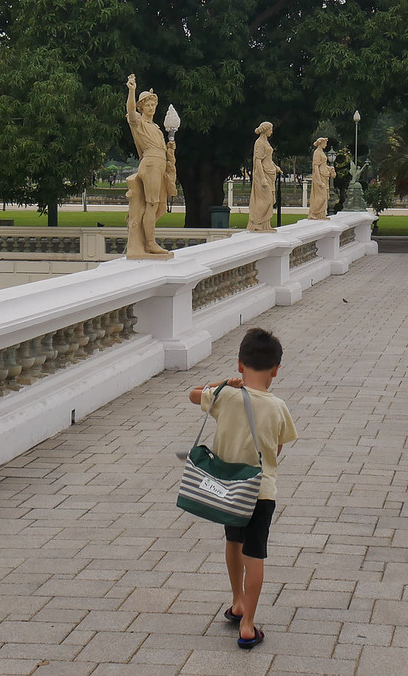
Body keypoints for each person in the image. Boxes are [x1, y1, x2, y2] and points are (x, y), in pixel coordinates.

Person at [188, 328, 298, 650]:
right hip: (260, 493)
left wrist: (221, 385)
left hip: (228, 490)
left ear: (239, 364)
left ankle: (237, 600)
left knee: (233, 542)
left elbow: (193, 393)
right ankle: (248, 623)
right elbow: (276, 450)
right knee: (256, 553)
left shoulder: (227, 396)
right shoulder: (278, 406)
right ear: (276, 369)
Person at [124, 75, 172, 258]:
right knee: (152, 205)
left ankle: (142, 231)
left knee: (160, 207)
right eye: (148, 105)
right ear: (141, 107)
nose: (151, 108)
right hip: (150, 164)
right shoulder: (139, 123)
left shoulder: (156, 128)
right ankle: (149, 243)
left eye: (153, 105)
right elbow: (130, 110)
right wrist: (132, 91)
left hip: (160, 164)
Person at [247, 122, 281, 232]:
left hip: (270, 172)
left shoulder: (265, 142)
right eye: (270, 129)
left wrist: (276, 167)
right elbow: (258, 161)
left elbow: (268, 159)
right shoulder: (259, 143)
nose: (272, 131)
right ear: (265, 130)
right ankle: (256, 222)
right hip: (263, 174)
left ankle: (265, 225)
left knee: (269, 200)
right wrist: (262, 178)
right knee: (265, 200)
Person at [308, 137, 334, 220]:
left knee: (325, 196)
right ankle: (314, 213)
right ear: (321, 143)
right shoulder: (317, 153)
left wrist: (329, 168)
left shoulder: (321, 152)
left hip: (324, 175)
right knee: (321, 197)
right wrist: (318, 180)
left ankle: (321, 215)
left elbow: (322, 164)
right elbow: (316, 167)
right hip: (319, 176)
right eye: (325, 143)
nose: (326, 145)